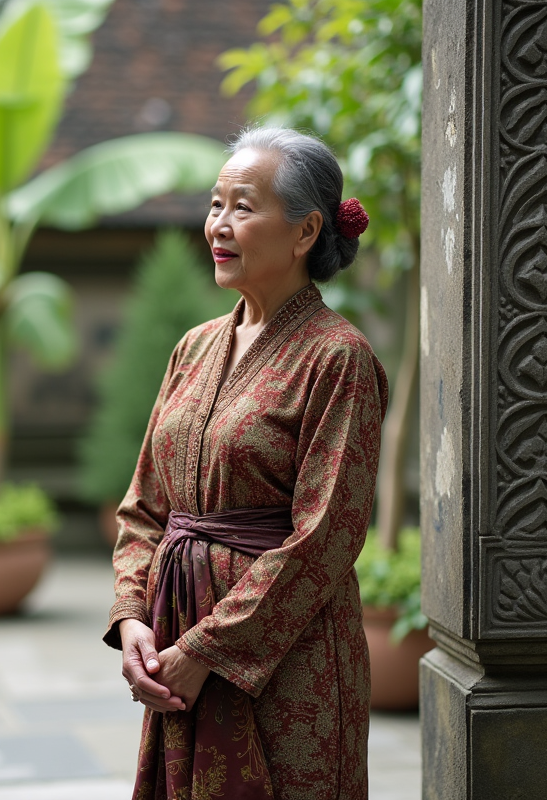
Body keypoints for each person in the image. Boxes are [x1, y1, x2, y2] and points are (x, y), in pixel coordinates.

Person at [103, 126, 388, 799]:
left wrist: (210, 649)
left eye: (243, 206)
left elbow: (326, 536)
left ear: (305, 232)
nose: (218, 226)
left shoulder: (337, 357)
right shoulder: (193, 348)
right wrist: (135, 617)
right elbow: (146, 505)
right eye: (214, 204)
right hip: (175, 641)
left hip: (285, 657)